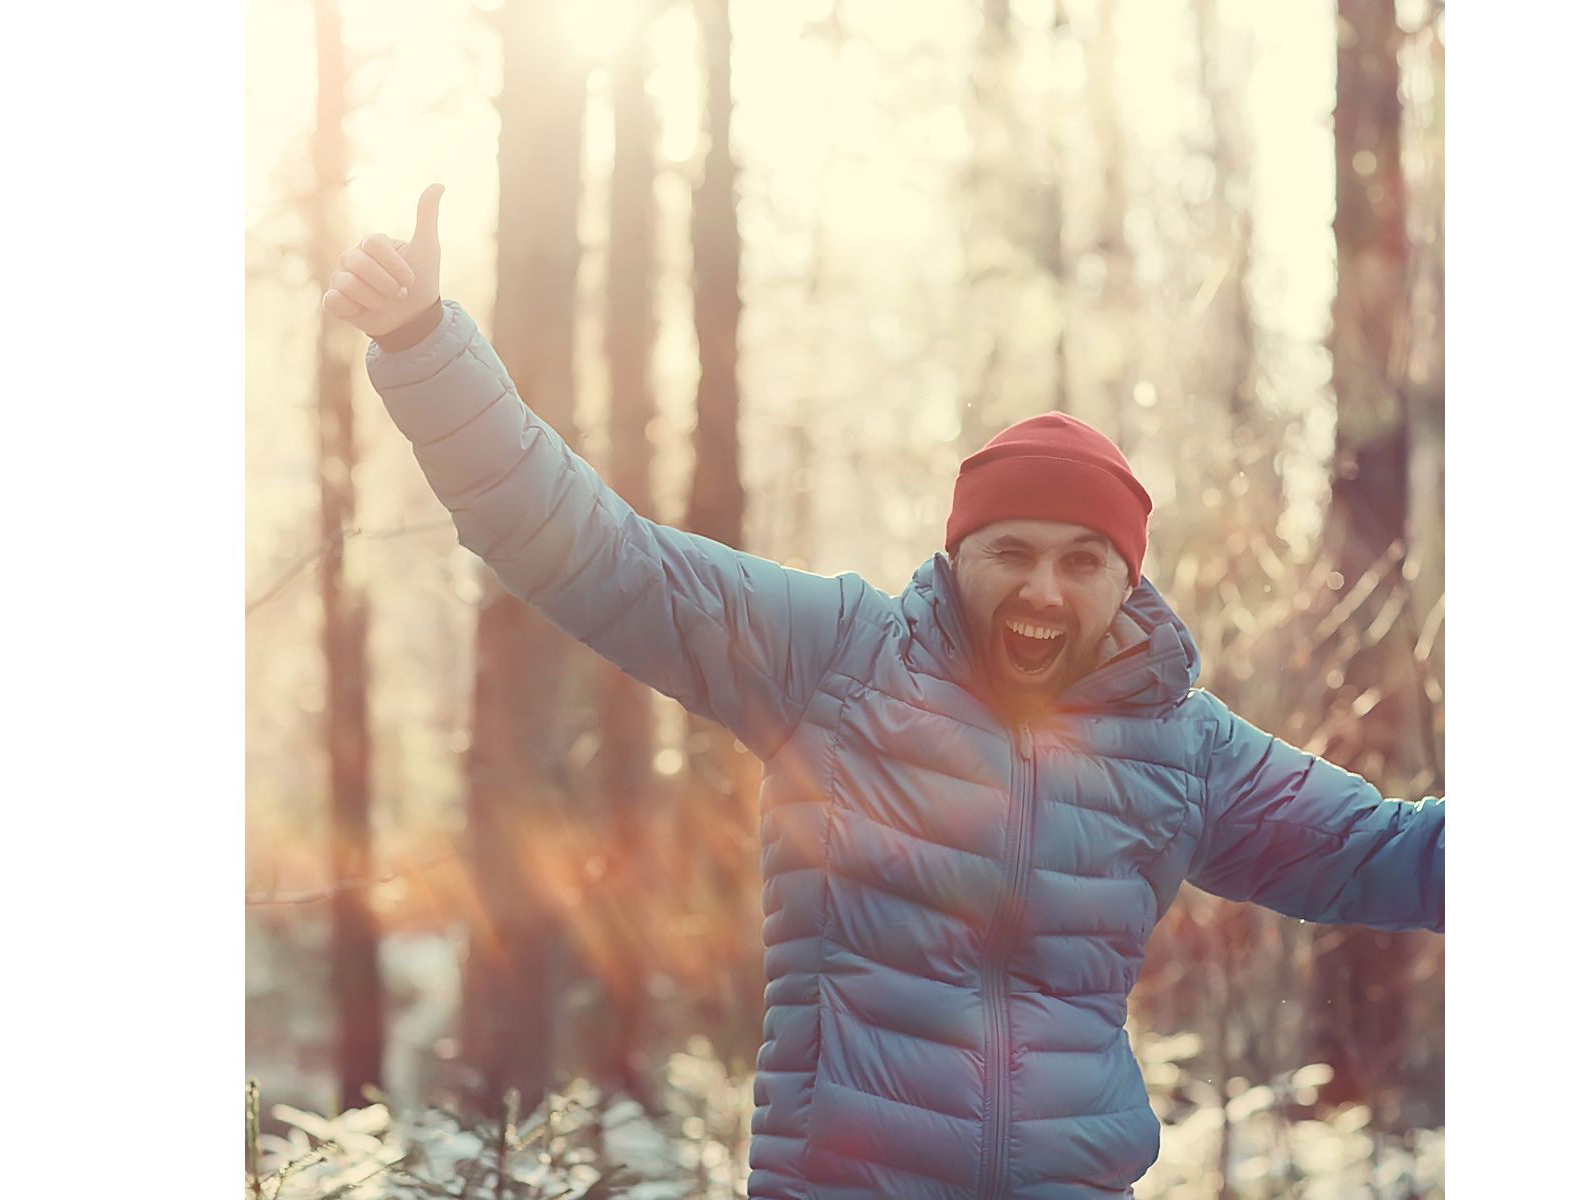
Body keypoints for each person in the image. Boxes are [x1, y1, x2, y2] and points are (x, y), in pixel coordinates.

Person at [323, 186, 1444, 1200]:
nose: (1042, 590)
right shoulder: (840, 661)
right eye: (1011, 551)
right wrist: (428, 349)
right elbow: (600, 556)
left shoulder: (1182, 746)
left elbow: (1380, 851)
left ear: (1126, 580)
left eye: (1082, 561)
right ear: (958, 554)